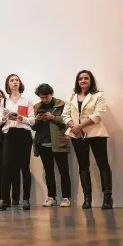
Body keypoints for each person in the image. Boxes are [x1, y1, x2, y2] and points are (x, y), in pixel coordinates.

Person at [62, 70, 113, 209]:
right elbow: (65, 115)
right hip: (77, 135)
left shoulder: (98, 95)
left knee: (103, 164)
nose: (83, 81)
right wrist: (74, 127)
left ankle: (107, 198)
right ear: (77, 81)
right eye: (80, 79)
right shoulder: (72, 96)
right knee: (83, 166)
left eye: (86, 78)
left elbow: (99, 114)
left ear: (91, 80)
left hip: (96, 133)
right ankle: (87, 199)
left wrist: (79, 126)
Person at [0, 74, 35, 211]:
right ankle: (4, 199)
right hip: (9, 134)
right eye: (11, 80)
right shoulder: (4, 102)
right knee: (6, 166)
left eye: (16, 80)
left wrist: (20, 117)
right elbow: (0, 119)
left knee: (24, 167)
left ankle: (26, 199)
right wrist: (5, 117)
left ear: (20, 83)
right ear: (8, 84)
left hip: (23, 134)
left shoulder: (27, 101)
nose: (14, 82)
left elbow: (32, 121)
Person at [32, 84, 71, 208]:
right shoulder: (37, 107)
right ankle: (51, 197)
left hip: (58, 142)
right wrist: (37, 119)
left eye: (46, 97)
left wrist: (53, 117)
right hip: (43, 143)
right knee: (48, 172)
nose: (44, 100)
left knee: (63, 171)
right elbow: (34, 127)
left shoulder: (61, 104)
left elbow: (67, 122)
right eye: (41, 97)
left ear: (51, 93)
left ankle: (66, 198)